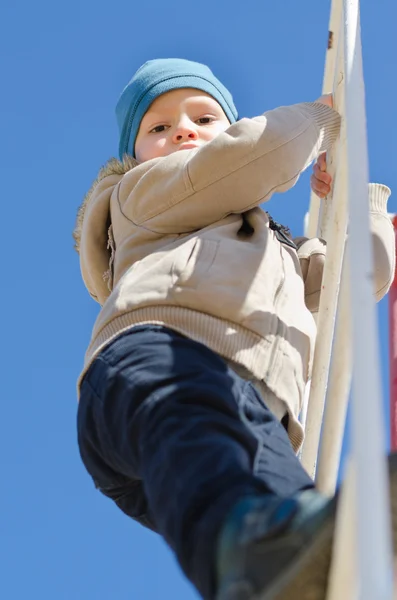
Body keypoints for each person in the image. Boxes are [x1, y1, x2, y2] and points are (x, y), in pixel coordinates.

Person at [74, 58, 396, 600]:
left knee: (301, 543)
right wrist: (320, 121)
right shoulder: (143, 195)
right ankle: (263, 549)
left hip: (247, 418)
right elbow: (246, 159)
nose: (183, 131)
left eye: (204, 118)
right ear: (135, 157)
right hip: (160, 360)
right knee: (237, 485)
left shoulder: (279, 253)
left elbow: (357, 274)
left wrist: (352, 198)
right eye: (159, 127)